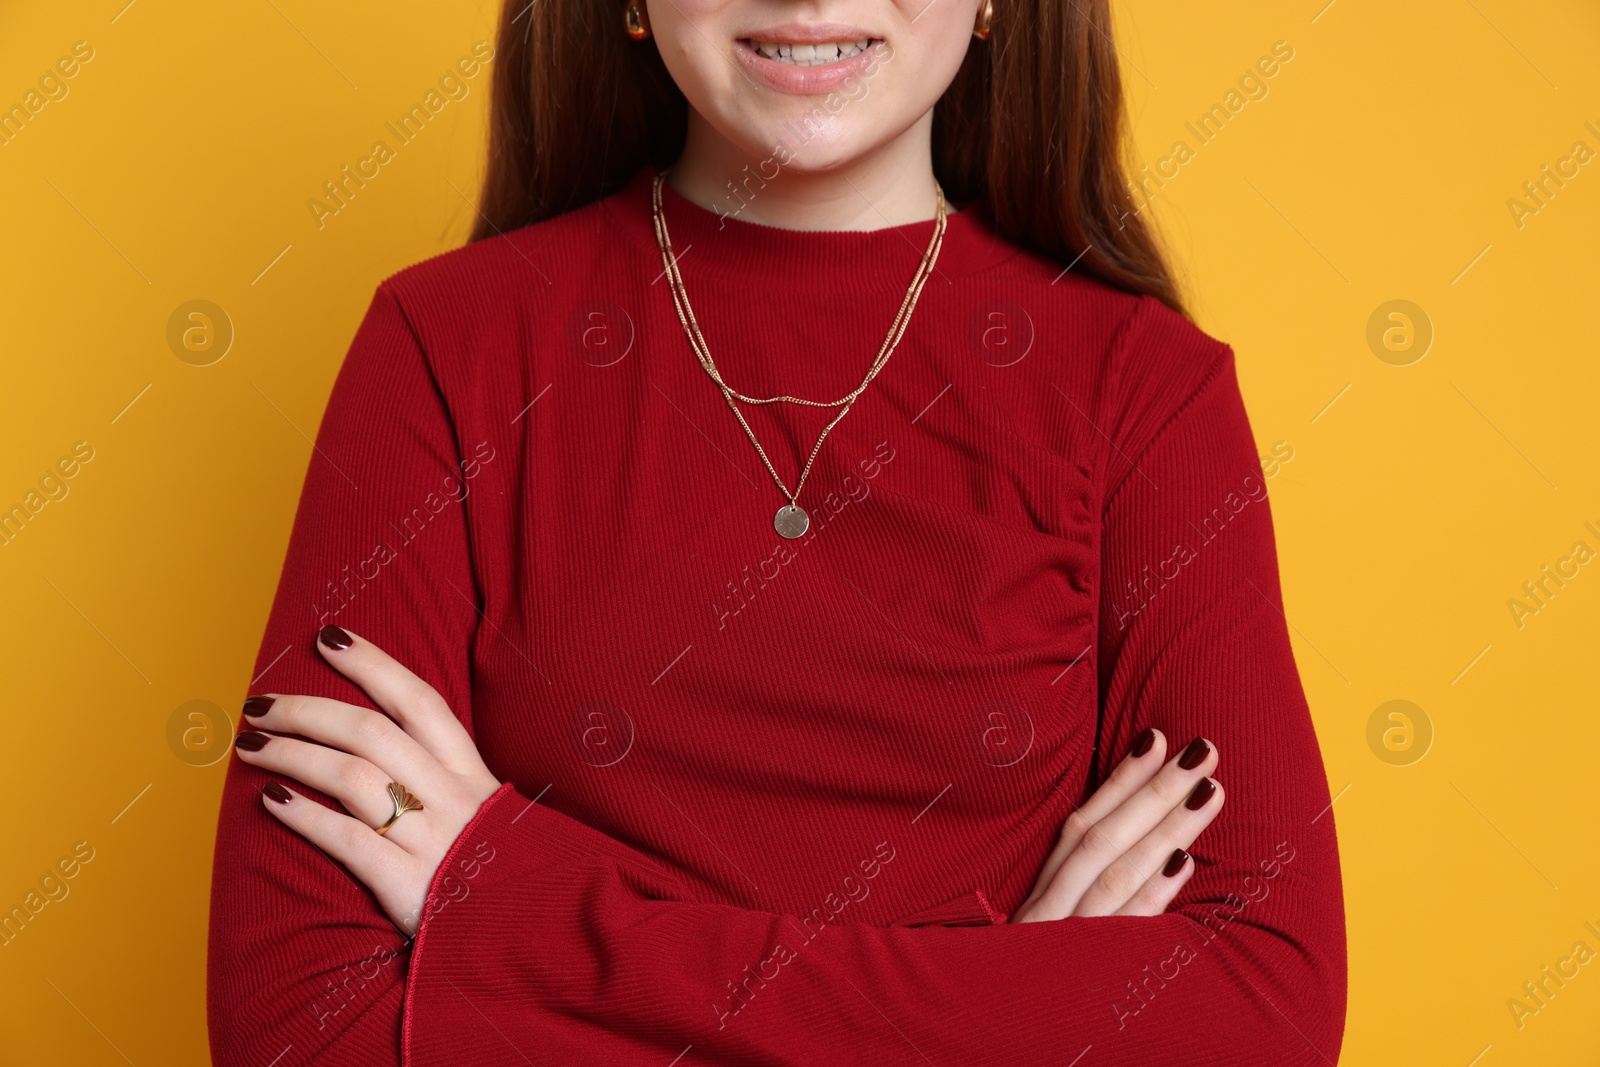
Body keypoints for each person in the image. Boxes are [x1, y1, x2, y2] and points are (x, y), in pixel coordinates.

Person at [207, 0, 1347, 1063]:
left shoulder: (1143, 389)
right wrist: (1009, 1001)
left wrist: (516, 906)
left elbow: (1260, 1005)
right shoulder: (444, 346)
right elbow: (300, 1024)